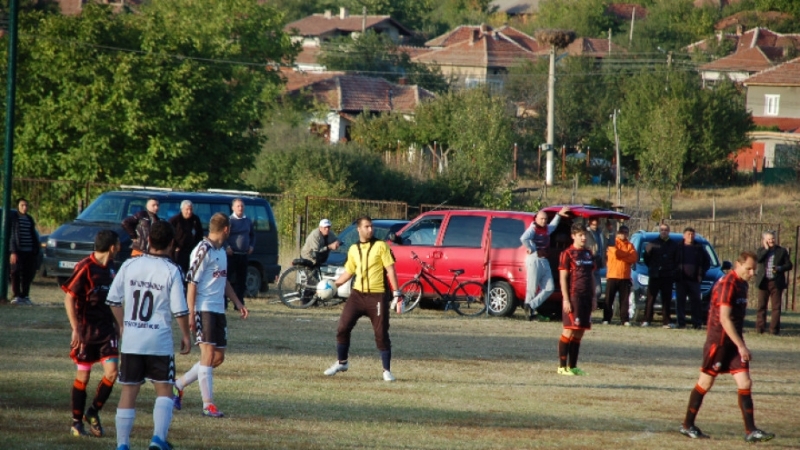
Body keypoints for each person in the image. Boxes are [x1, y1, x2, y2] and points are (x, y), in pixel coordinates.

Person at [107, 221, 191, 450]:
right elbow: (180, 310)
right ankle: (157, 440)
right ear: (172, 243)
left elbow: (113, 299)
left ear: (149, 241)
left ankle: (122, 444)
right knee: (165, 388)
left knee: (129, 390)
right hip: (159, 340)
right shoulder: (172, 270)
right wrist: (186, 335)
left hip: (132, 340)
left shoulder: (130, 264)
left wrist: (124, 325)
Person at [679, 251, 774, 443]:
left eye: (754, 270)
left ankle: (751, 431)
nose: (752, 273)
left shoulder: (743, 285)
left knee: (745, 383)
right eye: (748, 268)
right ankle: (687, 425)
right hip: (719, 343)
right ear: (737, 265)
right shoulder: (727, 284)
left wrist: (739, 344)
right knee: (705, 383)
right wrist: (741, 346)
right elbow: (724, 318)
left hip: (734, 343)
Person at [173, 213, 249, 418]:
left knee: (217, 357)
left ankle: (178, 385)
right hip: (203, 308)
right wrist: (191, 313)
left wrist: (238, 303)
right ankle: (208, 405)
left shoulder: (221, 252)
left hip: (218, 310)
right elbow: (191, 283)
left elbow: (223, 281)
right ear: (226, 230)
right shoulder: (202, 250)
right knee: (207, 356)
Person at [325, 216, 401, 382]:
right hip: (357, 295)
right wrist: (332, 286)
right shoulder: (353, 249)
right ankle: (342, 362)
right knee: (342, 327)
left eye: (371, 226)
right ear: (358, 229)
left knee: (381, 334)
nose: (370, 229)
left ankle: (386, 370)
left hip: (377, 296)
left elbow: (391, 270)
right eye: (366, 227)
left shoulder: (381, 246)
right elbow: (349, 272)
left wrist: (396, 293)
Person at [63, 229, 121, 438]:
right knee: (83, 376)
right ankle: (76, 422)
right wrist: (75, 328)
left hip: (106, 329)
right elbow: (69, 297)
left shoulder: (113, 268)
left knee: (112, 372)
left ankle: (92, 412)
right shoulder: (85, 267)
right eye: (118, 243)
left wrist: (118, 324)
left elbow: (114, 300)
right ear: (112, 246)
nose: (120, 247)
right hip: (86, 330)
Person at [556, 223, 596, 376]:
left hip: (586, 297)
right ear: (573, 236)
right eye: (580, 235)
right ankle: (561, 367)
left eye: (585, 234)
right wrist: (566, 299)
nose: (584, 237)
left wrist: (593, 297)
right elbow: (563, 277)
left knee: (580, 332)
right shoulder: (567, 253)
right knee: (569, 330)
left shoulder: (588, 254)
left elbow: (591, 276)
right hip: (574, 296)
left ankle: (572, 366)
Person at [520, 206, 571, 321]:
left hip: (544, 259)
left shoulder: (546, 229)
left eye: (545, 219)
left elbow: (553, 226)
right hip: (534, 258)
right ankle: (529, 314)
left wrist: (558, 215)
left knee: (549, 288)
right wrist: (532, 248)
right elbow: (523, 238)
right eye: (541, 219)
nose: (543, 221)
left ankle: (530, 305)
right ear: (536, 219)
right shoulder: (533, 229)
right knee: (532, 288)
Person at [755, 231, 792, 335]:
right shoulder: (761, 250)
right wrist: (766, 249)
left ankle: (774, 330)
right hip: (763, 282)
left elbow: (789, 265)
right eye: (769, 239)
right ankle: (760, 329)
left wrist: (779, 268)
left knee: (776, 307)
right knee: (761, 306)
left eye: (773, 238)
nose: (771, 241)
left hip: (776, 282)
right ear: (765, 240)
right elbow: (759, 260)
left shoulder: (782, 251)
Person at [642, 223, 679, 328]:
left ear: (669, 231)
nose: (664, 231)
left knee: (666, 299)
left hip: (667, 275)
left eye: (666, 230)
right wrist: (653, 267)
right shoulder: (652, 243)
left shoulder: (674, 245)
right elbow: (646, 258)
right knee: (650, 298)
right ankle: (647, 319)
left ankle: (666, 321)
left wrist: (671, 270)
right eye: (662, 230)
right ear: (659, 231)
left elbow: (677, 260)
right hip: (655, 275)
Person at [602, 225, 637, 326]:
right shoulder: (612, 244)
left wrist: (623, 256)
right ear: (618, 233)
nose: (623, 234)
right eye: (621, 232)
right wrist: (626, 255)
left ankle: (624, 319)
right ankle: (606, 318)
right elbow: (616, 253)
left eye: (625, 232)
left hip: (625, 276)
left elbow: (634, 258)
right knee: (609, 299)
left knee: (624, 300)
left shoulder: (630, 245)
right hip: (612, 275)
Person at [676, 227, 710, 330]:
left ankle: (697, 323)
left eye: (692, 234)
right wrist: (675, 272)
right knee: (680, 302)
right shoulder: (678, 247)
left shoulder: (699, 248)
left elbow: (707, 261)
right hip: (681, 279)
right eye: (688, 234)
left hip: (695, 280)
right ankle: (681, 323)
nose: (690, 236)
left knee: (696, 302)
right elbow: (672, 261)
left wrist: (701, 273)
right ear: (684, 236)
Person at [10, 198, 40, 305]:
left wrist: (35, 249)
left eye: (26, 205)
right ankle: (16, 295)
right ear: (18, 206)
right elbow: (12, 235)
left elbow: (32, 234)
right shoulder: (14, 219)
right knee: (16, 272)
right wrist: (13, 251)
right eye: (22, 205)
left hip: (29, 251)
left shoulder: (29, 219)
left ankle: (25, 295)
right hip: (19, 251)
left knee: (28, 274)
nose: (24, 207)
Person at [225, 198, 254, 309]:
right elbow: (223, 236)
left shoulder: (247, 221)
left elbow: (252, 235)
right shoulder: (229, 221)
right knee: (226, 279)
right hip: (231, 255)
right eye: (238, 206)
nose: (240, 208)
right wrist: (227, 247)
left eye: (242, 206)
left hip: (243, 255)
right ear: (233, 208)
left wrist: (251, 245)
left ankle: (239, 304)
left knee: (241, 280)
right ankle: (224, 302)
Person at [169, 200, 204, 276]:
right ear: (182, 209)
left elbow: (200, 234)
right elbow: (169, 235)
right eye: (187, 209)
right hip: (178, 251)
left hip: (192, 250)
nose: (189, 212)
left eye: (191, 209)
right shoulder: (175, 220)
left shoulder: (195, 219)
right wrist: (174, 247)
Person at [584, 217, 606, 297]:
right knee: (589, 289)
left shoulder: (600, 232)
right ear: (589, 222)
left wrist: (610, 231)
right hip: (589, 262)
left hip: (598, 262)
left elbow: (610, 243)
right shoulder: (586, 233)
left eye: (596, 224)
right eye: (593, 224)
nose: (595, 226)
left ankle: (591, 304)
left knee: (598, 291)